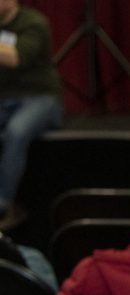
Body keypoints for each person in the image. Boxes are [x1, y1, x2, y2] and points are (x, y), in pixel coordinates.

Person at [0, 0, 63, 230]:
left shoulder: (33, 22)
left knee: (16, 132)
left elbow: (17, 57)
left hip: (40, 98)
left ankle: (4, 205)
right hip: (4, 100)